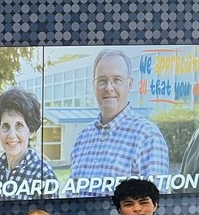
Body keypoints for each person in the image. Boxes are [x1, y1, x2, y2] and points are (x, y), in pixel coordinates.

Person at [69, 49, 170, 197]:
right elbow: (71, 196)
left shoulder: (147, 136)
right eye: (102, 80)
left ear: (129, 84)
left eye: (117, 80)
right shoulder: (82, 138)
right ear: (94, 85)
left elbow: (157, 204)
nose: (109, 88)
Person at [0, 88, 56, 198]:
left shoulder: (43, 174)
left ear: (31, 131)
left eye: (19, 126)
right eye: (5, 126)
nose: (12, 135)